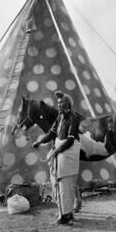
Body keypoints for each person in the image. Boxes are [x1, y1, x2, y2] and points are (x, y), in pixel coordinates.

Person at [33, 91, 81, 224]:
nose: (59, 106)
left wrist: (57, 151)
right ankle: (66, 213)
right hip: (60, 153)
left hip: (68, 153)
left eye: (62, 104)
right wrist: (40, 141)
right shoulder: (60, 117)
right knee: (57, 183)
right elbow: (52, 133)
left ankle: (66, 216)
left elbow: (70, 140)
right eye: (58, 104)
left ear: (68, 105)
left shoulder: (73, 118)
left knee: (66, 184)